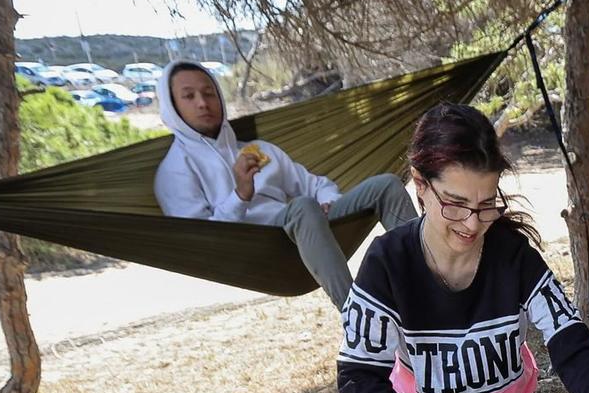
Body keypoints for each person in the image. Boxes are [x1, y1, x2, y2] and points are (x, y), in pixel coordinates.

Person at [336, 102, 589, 393]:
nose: (472, 224)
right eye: (456, 204)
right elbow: (357, 376)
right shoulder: (388, 263)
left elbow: (570, 341)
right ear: (420, 185)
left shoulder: (512, 256)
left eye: (486, 205)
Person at [153, 61, 416, 309]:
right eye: (189, 96)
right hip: (256, 247)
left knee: (386, 185)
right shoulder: (175, 170)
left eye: (209, 93)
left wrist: (329, 201)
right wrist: (240, 195)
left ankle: (425, 280)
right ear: (172, 106)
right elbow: (199, 240)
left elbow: (313, 184)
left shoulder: (258, 150)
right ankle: (356, 312)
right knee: (302, 207)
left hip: (306, 229)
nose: (202, 103)